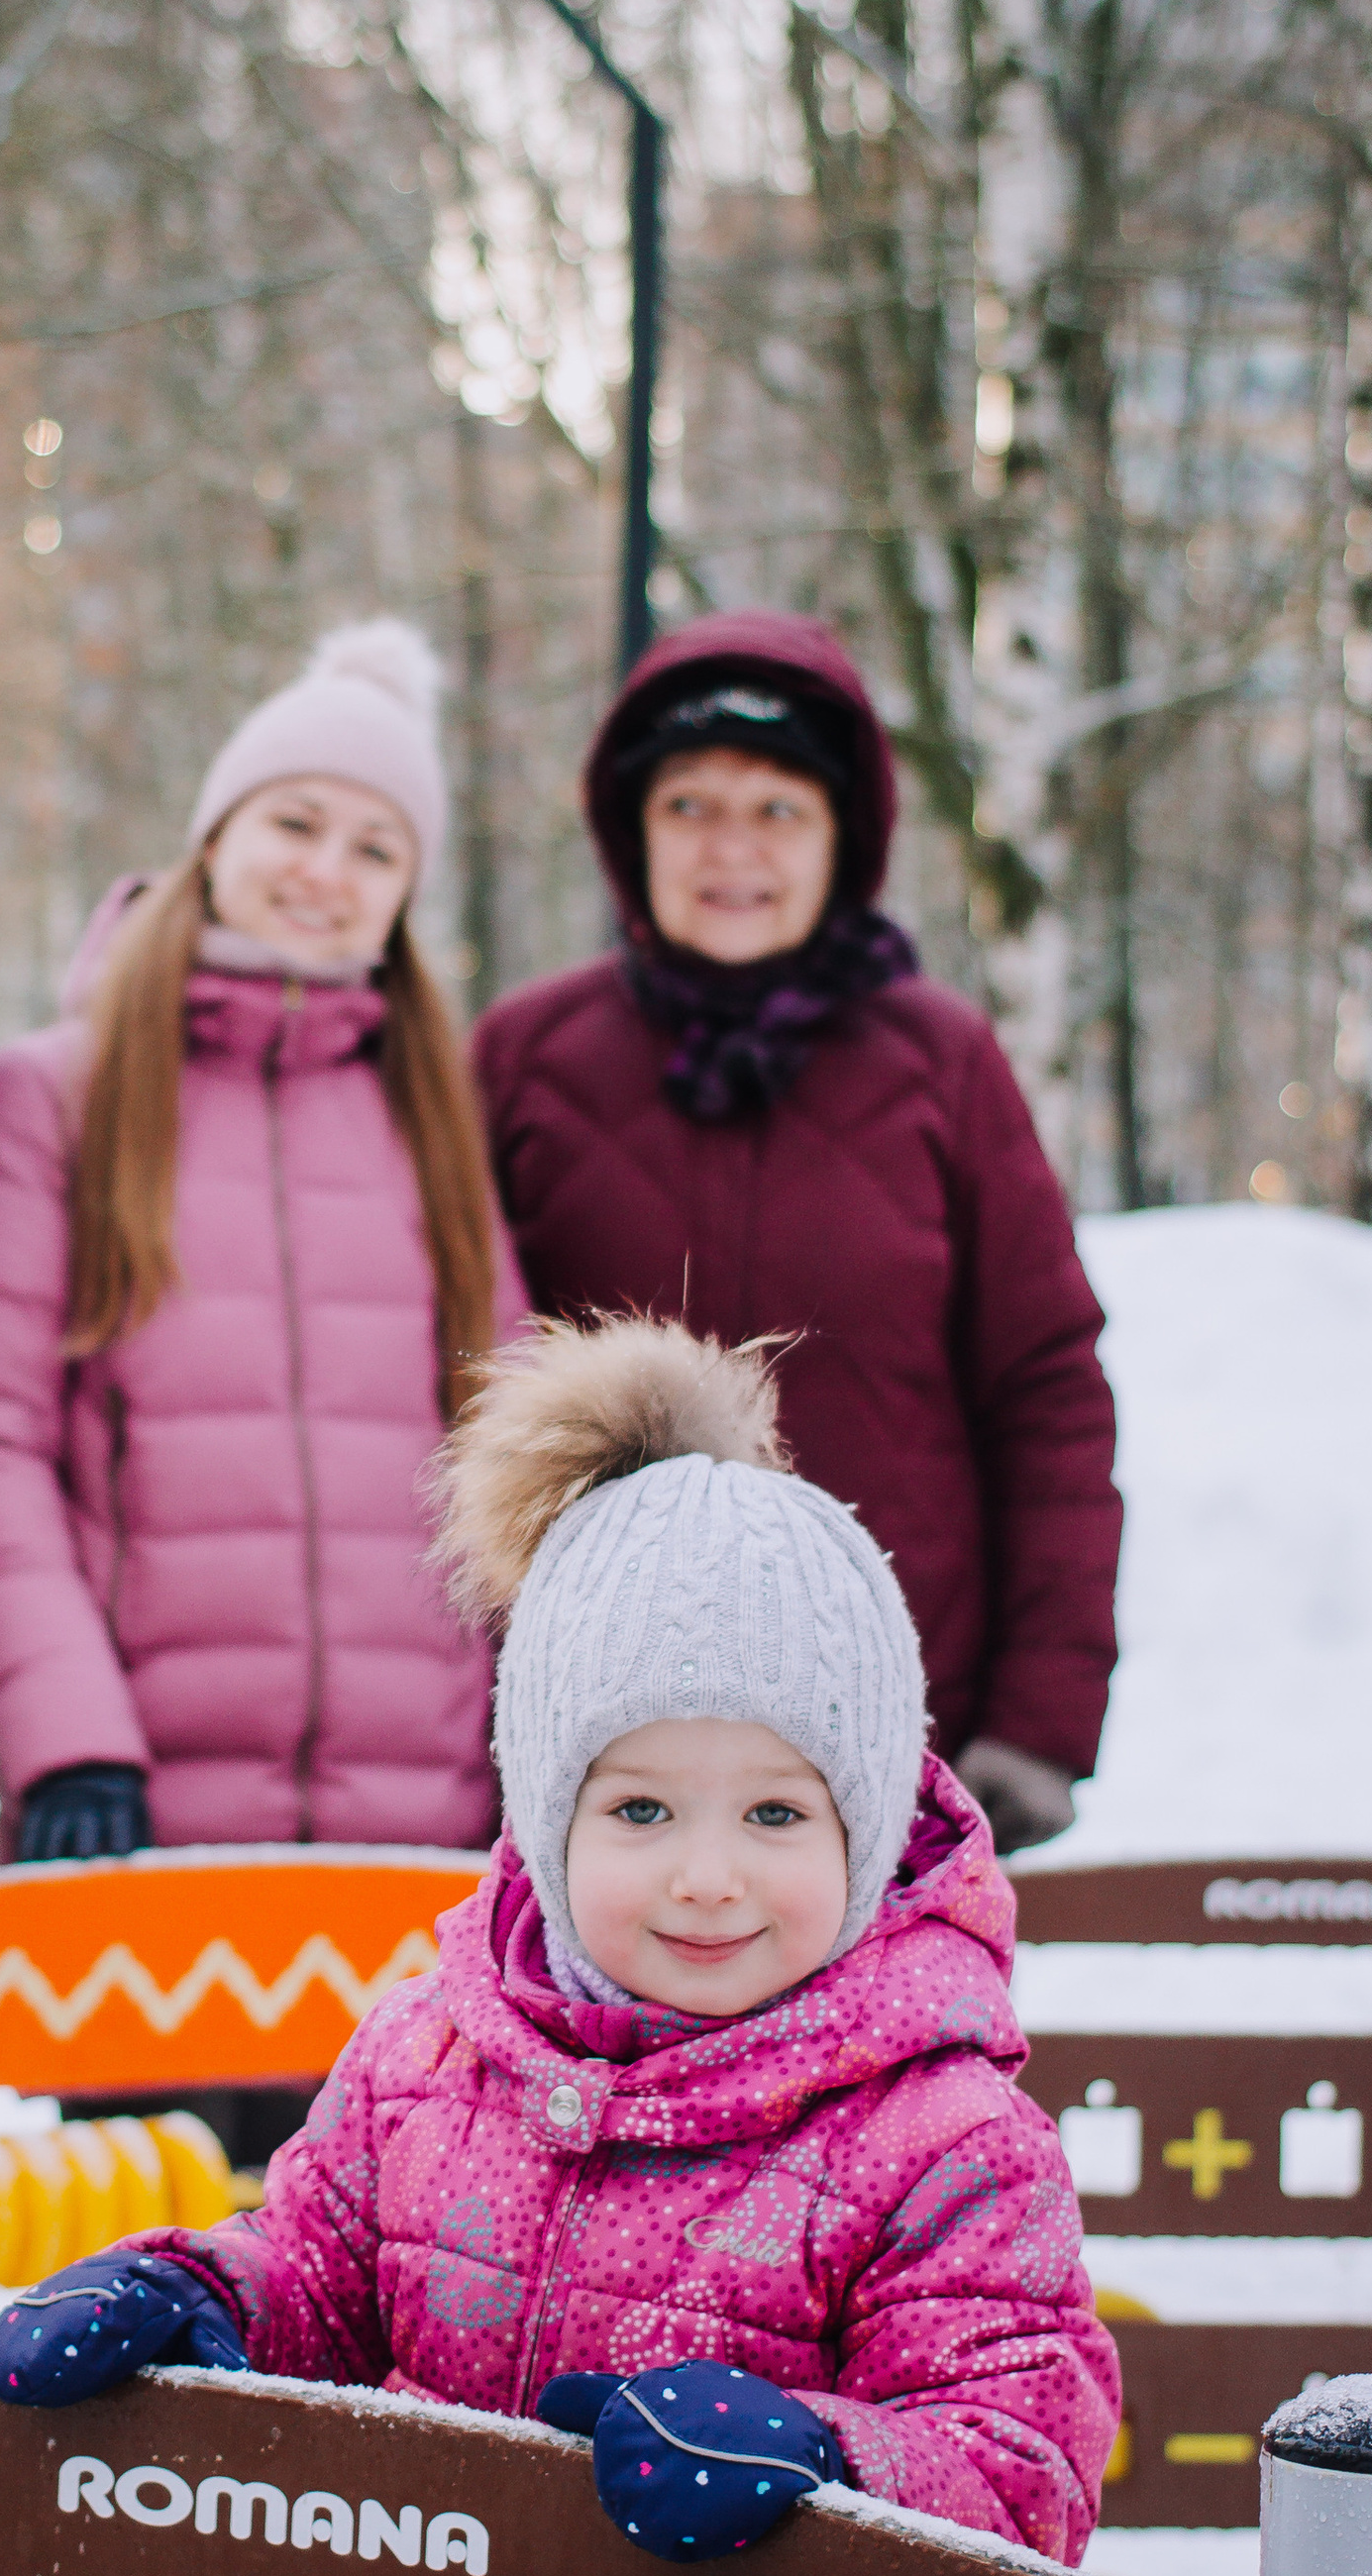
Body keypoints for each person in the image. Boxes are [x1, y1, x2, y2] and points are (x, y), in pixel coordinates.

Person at [0, 1316, 1118, 2566]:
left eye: (777, 1813)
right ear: (543, 1814)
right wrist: (200, 2296)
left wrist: (821, 2462)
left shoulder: (943, 2148)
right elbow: (317, 2282)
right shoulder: (431, 2061)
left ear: (872, 1819)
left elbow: (1018, 2472)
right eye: (639, 1810)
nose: (706, 1876)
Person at [471, 613, 1119, 1854]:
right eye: (690, 807)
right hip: (593, 1758)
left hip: (893, 1741)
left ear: (844, 838)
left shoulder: (942, 1063)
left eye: (778, 810)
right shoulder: (522, 1062)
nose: (733, 849)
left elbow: (1045, 1392)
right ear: (630, 832)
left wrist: (1040, 1721)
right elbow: (446, 1391)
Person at [0, 619, 524, 1869]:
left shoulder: (429, 1122)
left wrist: (529, 1751)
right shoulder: (60, 1098)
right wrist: (66, 1738)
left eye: (376, 847)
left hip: (418, 1838)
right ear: (216, 838)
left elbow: (512, 1460)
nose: (327, 870)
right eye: (294, 823)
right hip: (132, 1822)